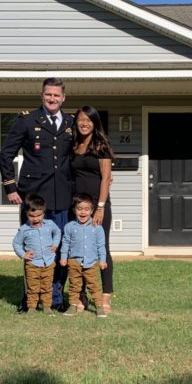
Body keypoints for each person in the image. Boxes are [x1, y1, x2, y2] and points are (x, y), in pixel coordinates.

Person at [0, 77, 75, 311]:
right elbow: (5, 154)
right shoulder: (27, 120)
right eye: (48, 94)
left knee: (58, 247)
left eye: (56, 95)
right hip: (33, 195)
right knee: (32, 249)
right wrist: (11, 187)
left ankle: (55, 298)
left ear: (64, 97)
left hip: (62, 195)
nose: (52, 99)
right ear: (42, 96)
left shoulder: (71, 122)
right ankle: (29, 297)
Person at [69, 106, 115, 315]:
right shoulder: (74, 145)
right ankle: (81, 297)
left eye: (89, 120)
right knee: (77, 250)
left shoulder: (101, 146)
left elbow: (106, 177)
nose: (84, 123)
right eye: (81, 119)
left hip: (98, 205)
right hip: (77, 206)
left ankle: (105, 296)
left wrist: (101, 207)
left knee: (100, 248)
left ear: (95, 123)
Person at [11, 194, 62, 314]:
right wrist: (23, 255)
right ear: (26, 214)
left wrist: (55, 244)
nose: (36, 219)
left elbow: (58, 232)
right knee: (33, 286)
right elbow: (16, 243)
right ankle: (32, 307)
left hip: (48, 262)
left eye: (39, 215)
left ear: (44, 213)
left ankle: (47, 306)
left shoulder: (50, 224)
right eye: (32, 216)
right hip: (32, 263)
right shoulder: (24, 229)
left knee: (47, 285)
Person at [60, 193, 108, 317]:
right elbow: (65, 243)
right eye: (79, 209)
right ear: (74, 210)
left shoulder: (97, 227)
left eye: (86, 209)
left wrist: (102, 260)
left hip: (91, 262)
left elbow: (101, 246)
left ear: (92, 211)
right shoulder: (69, 227)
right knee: (74, 285)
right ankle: (72, 305)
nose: (83, 212)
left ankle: (99, 306)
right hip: (74, 262)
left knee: (94, 285)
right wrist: (64, 257)